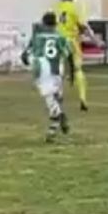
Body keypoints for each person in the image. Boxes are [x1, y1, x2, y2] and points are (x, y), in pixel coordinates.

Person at [21, 12, 72, 143]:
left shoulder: (37, 38)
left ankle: (61, 116)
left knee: (50, 100)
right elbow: (69, 55)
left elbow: (24, 55)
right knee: (56, 100)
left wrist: (27, 62)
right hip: (56, 69)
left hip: (41, 68)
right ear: (55, 24)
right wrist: (71, 74)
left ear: (43, 23)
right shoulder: (61, 37)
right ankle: (51, 133)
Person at [54, 0, 95, 111]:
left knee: (59, 68)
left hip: (60, 40)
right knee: (78, 69)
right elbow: (82, 25)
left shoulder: (57, 7)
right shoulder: (75, 8)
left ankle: (58, 94)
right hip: (72, 40)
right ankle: (82, 98)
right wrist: (91, 36)